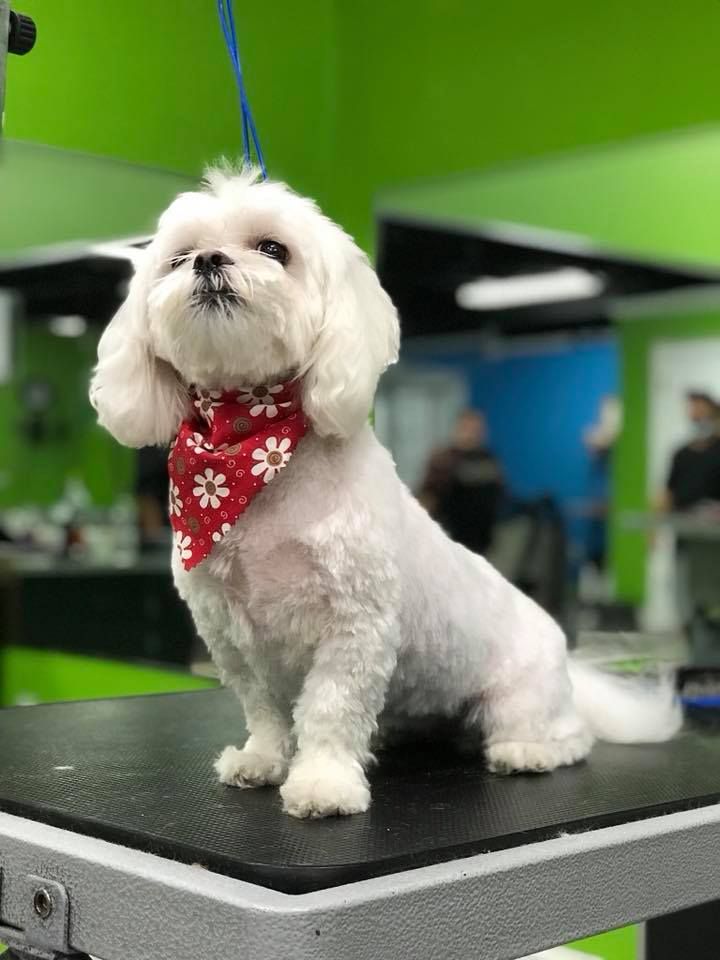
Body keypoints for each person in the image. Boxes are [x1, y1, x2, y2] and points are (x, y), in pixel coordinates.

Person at [417, 409, 504, 555]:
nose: (472, 434)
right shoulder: (443, 460)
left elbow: (499, 493)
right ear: (458, 429)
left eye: (477, 429)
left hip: (482, 541)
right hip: (449, 539)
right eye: (467, 428)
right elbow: (428, 497)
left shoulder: (489, 460)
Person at [658, 391, 720, 513]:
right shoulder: (681, 454)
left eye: (702, 411)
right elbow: (668, 492)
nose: (697, 416)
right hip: (684, 525)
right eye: (693, 411)